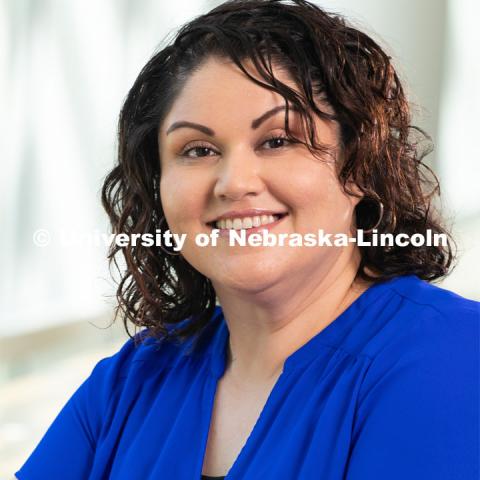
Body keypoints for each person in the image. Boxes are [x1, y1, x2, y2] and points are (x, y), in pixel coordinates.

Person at [15, 0, 479, 479]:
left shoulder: (455, 359)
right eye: (198, 150)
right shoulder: (131, 381)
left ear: (360, 164)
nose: (234, 183)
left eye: (278, 140)